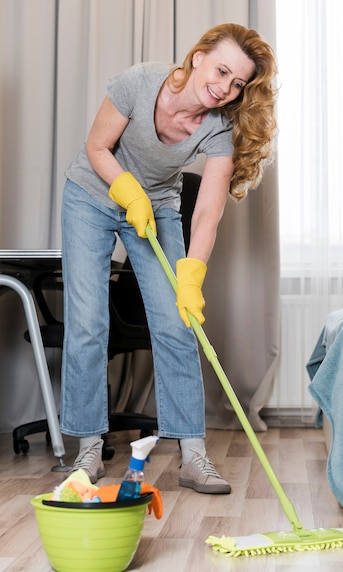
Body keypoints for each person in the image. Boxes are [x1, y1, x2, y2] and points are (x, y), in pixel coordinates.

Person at [59, 23, 278, 494]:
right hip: (92, 196)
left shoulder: (219, 129)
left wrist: (191, 277)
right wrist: (124, 189)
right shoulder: (139, 82)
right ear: (198, 57)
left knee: (179, 325)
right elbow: (96, 147)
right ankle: (89, 450)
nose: (224, 88)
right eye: (221, 70)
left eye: (237, 83)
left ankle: (194, 456)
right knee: (86, 322)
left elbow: (207, 214)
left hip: (157, 207)